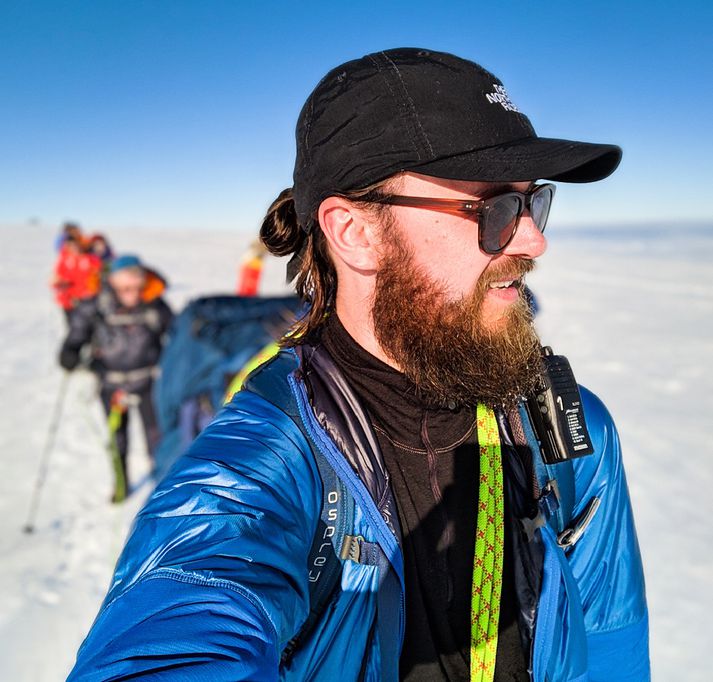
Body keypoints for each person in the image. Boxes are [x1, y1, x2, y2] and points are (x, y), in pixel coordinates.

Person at [68, 49, 649, 681]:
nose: (534, 241)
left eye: (533, 203)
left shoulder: (565, 428)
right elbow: (178, 627)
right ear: (355, 232)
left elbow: (610, 639)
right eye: (493, 211)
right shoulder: (262, 467)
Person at [58, 254, 173, 500]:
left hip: (147, 383)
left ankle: (161, 485)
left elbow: (175, 336)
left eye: (136, 287)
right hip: (111, 386)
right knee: (117, 438)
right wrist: (69, 352)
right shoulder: (95, 306)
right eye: (125, 288)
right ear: (112, 283)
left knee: (156, 437)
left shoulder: (155, 305)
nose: (132, 294)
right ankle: (121, 483)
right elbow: (76, 334)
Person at [50, 233, 102, 320]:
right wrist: (59, 283)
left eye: (77, 245)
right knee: (73, 327)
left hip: (87, 300)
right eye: (71, 245)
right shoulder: (64, 261)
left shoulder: (90, 259)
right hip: (68, 301)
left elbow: (99, 276)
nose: (75, 248)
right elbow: (56, 279)